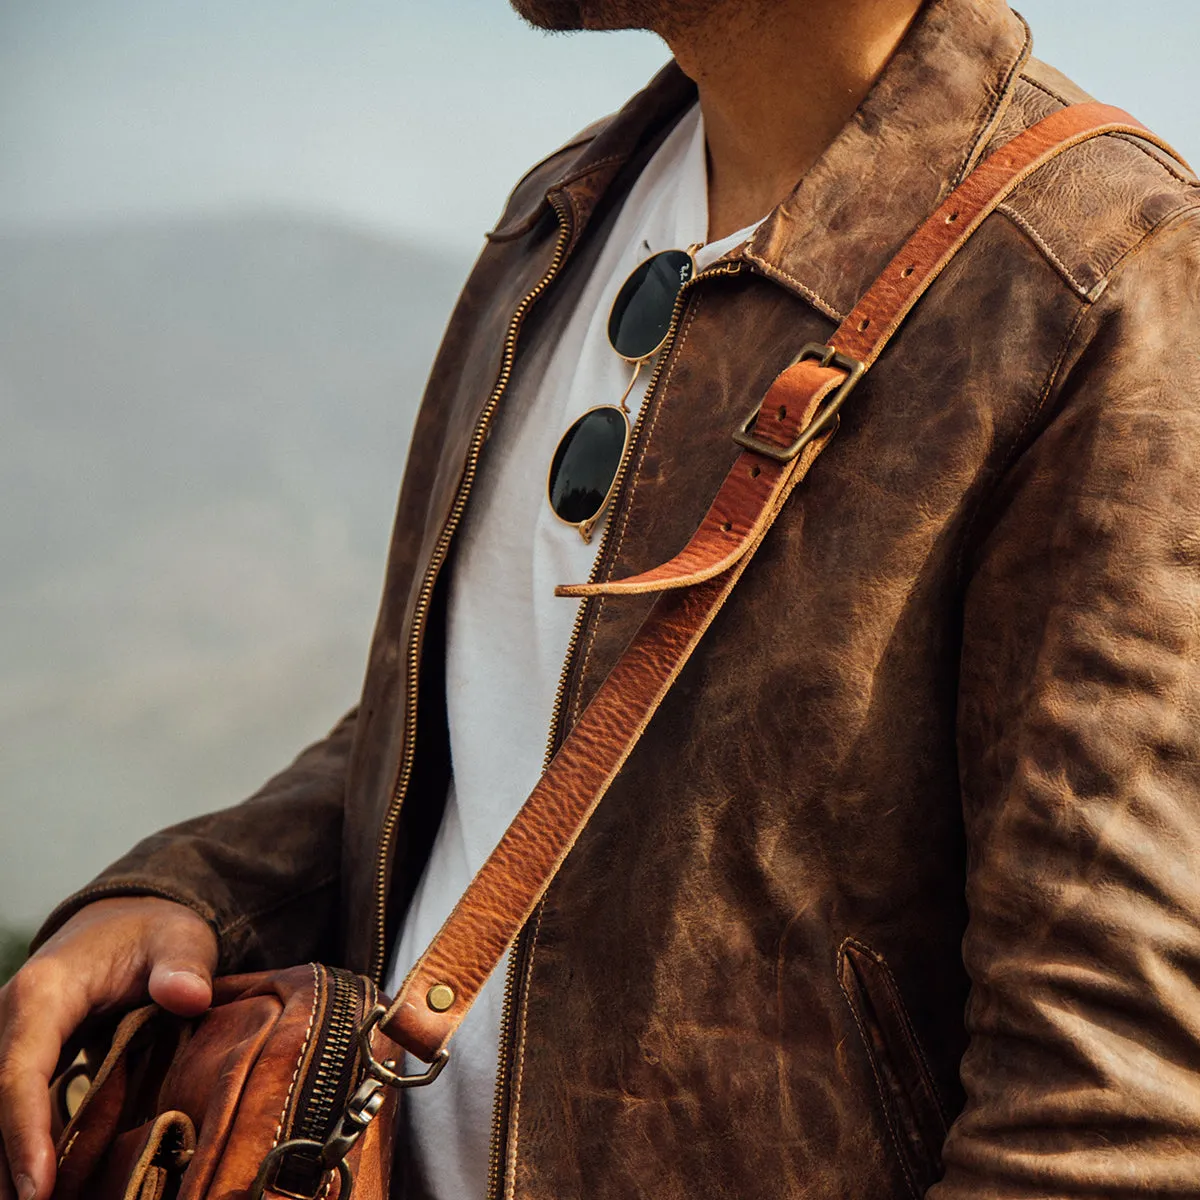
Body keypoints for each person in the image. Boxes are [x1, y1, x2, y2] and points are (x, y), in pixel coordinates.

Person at [6, 0, 1200, 1195]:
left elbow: (1104, 1108)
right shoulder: (568, 211)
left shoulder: (1101, 278)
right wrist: (200, 890)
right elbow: (488, 722)